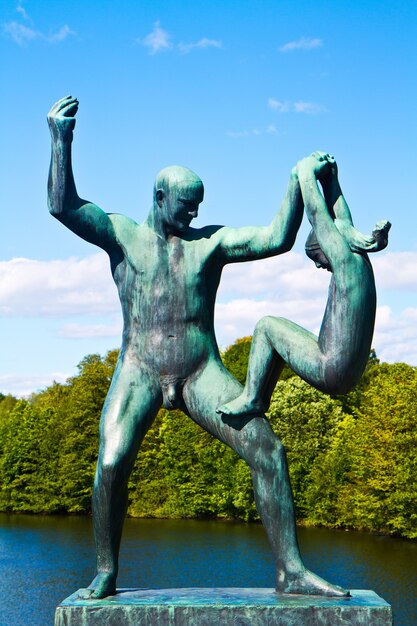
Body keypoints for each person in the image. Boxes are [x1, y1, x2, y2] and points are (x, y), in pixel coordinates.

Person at [47, 96, 381, 600]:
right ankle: (105, 570)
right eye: (186, 207)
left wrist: (297, 179)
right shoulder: (121, 235)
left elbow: (276, 238)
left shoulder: (211, 244)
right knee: (112, 462)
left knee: (267, 449)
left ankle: (290, 571)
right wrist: (61, 140)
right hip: (139, 368)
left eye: (198, 207)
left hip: (200, 371)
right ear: (159, 198)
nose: (194, 214)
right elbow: (63, 205)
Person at [217, 152, 390, 418]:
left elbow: (318, 216)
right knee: (283, 335)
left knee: (266, 327)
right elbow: (341, 221)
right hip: (348, 372)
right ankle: (259, 396)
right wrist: (331, 179)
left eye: (317, 258)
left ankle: (252, 398)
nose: (320, 266)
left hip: (331, 368)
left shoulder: (344, 263)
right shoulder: (359, 260)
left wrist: (305, 173)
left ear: (329, 247)